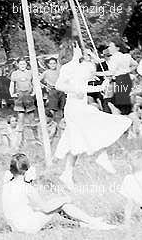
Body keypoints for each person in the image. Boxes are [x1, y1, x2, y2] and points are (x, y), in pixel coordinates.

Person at [55, 42, 132, 189]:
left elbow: (85, 85)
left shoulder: (81, 67)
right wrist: (73, 89)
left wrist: (99, 86)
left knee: (75, 139)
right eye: (77, 47)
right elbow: (59, 85)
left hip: (81, 104)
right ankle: (101, 156)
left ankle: (67, 174)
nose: (80, 50)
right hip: (73, 107)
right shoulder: (67, 67)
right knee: (94, 124)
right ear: (72, 50)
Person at [1, 153, 116, 233]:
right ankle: (93, 223)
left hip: (15, 227)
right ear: (27, 170)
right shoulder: (26, 187)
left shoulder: (6, 185)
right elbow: (45, 208)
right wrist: (65, 199)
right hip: (27, 227)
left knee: (54, 203)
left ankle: (86, 222)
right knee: (61, 205)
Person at [106, 40, 138, 115]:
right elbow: (135, 64)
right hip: (126, 78)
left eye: (111, 46)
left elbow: (111, 72)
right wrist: (127, 71)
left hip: (120, 79)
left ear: (117, 48)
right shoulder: (126, 56)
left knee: (119, 102)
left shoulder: (114, 58)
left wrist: (96, 73)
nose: (109, 48)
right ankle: (127, 114)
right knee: (123, 100)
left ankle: (125, 117)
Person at [9, 60, 35, 139]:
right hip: (19, 97)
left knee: (32, 119)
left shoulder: (30, 72)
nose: (22, 65)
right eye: (21, 64)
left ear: (26, 64)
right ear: (18, 65)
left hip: (28, 96)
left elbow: (34, 83)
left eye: (24, 64)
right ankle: (20, 141)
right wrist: (12, 94)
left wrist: (34, 92)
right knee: (20, 119)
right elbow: (12, 84)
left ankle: (37, 139)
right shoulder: (15, 73)